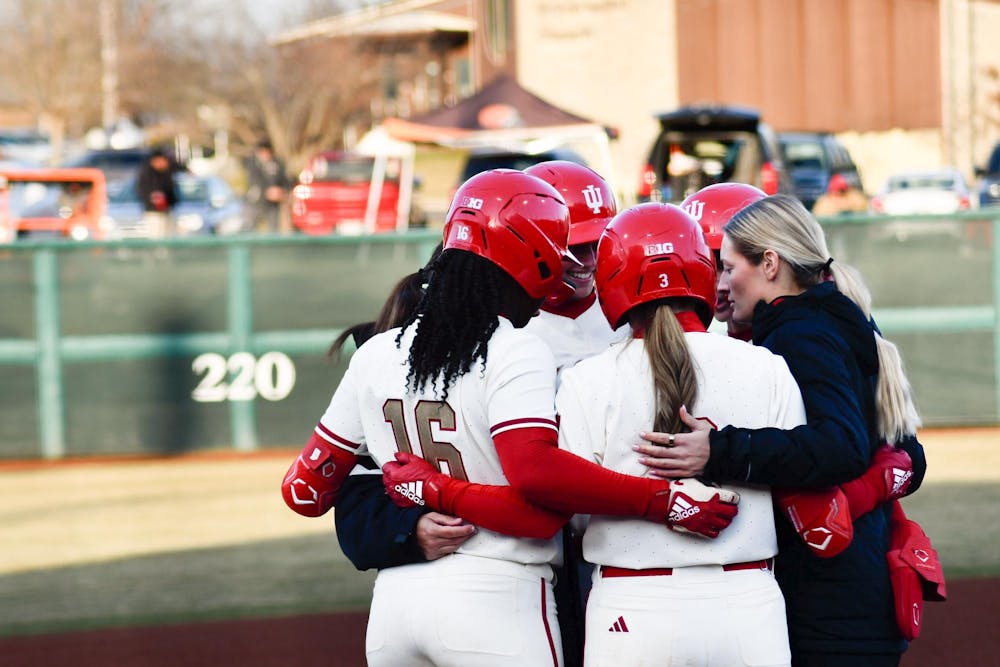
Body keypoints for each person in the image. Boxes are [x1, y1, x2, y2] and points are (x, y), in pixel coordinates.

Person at [281, 169, 740, 665]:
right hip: (499, 592)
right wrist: (662, 501)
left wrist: (419, 490)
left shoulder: (377, 353)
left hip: (396, 606)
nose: (577, 262)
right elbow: (537, 501)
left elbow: (303, 492)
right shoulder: (515, 347)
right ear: (535, 255)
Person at [332, 162, 627, 666]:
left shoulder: (641, 317)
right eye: (569, 245)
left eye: (596, 244)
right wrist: (408, 526)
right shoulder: (442, 329)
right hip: (508, 563)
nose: (582, 261)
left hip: (618, 555)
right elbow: (360, 487)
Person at [636, 194, 928, 666]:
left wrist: (718, 450)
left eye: (727, 267)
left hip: (829, 603)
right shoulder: (832, 318)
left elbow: (844, 446)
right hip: (847, 595)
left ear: (770, 262)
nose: (721, 283)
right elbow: (899, 453)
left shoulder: (799, 331)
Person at [553, 201, 806, 666]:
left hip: (632, 605)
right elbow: (799, 479)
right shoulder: (766, 367)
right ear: (702, 274)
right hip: (748, 602)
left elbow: (568, 509)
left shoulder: (585, 379)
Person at [681, 182, 767, 340]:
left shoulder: (790, 341)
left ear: (768, 263)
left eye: (726, 266)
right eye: (702, 266)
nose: (717, 283)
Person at [136, 147, 181, 239]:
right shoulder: (146, 174)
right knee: (156, 236)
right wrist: (152, 198)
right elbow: (142, 191)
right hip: (153, 211)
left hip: (167, 210)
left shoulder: (166, 172)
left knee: (168, 235)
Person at [245, 140, 289, 233]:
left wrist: (282, 191)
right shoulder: (253, 163)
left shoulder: (277, 164)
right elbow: (254, 180)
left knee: (273, 228)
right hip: (256, 202)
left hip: (272, 204)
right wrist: (267, 191)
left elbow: (284, 180)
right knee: (250, 227)